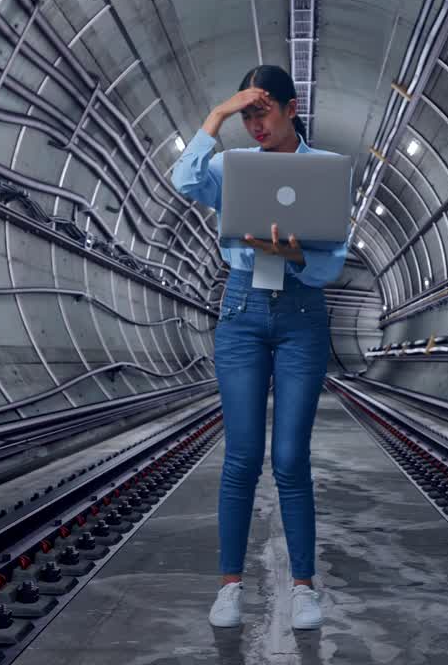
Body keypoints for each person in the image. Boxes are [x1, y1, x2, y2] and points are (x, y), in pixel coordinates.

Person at [172, 65, 349, 630]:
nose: (254, 124)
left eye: (262, 111)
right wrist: (217, 116)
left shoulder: (325, 171)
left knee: (291, 458)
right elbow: (182, 180)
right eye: (246, 114)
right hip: (242, 312)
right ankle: (229, 587)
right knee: (242, 457)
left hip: (301, 315)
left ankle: (303, 588)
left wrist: (297, 256)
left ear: (291, 110)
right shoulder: (229, 166)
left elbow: (335, 260)